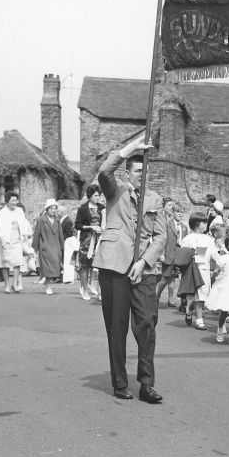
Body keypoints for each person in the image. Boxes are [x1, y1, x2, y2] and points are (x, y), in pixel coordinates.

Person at [93, 133, 166, 404]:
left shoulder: (155, 199)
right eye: (137, 171)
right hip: (114, 267)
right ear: (127, 173)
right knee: (117, 326)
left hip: (143, 270)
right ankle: (120, 382)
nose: (141, 175)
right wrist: (131, 148)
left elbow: (160, 236)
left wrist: (144, 261)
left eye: (145, 171)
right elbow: (104, 170)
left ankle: (146, 384)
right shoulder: (116, 191)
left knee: (147, 324)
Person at [180, 212, 217, 330]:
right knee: (198, 296)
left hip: (205, 269)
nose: (206, 225)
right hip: (193, 270)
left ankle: (189, 310)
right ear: (196, 224)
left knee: (203, 297)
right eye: (204, 223)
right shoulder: (187, 239)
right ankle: (200, 320)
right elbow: (183, 255)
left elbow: (214, 253)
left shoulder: (209, 239)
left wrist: (221, 262)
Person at [74, 184, 105, 301]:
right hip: (86, 241)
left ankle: (101, 292)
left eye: (99, 195)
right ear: (90, 196)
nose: (98, 198)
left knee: (100, 266)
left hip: (99, 241)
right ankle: (85, 290)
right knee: (84, 266)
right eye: (96, 196)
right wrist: (90, 227)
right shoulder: (83, 208)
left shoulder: (102, 208)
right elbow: (77, 225)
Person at [0, 191, 31, 294]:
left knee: (17, 262)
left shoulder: (20, 211)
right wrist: (2, 238)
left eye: (16, 200)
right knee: (5, 263)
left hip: (17, 240)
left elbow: (23, 223)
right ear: (7, 201)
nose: (15, 202)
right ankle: (7, 285)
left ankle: (14, 284)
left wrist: (24, 235)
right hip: (6, 240)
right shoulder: (2, 212)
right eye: (12, 200)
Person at [155, 197, 184, 308]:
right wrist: (161, 254)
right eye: (178, 212)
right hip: (168, 255)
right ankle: (156, 296)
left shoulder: (184, 227)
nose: (180, 214)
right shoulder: (167, 224)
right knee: (164, 279)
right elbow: (163, 239)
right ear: (173, 212)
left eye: (182, 212)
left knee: (173, 278)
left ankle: (171, 299)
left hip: (178, 256)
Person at [32, 198, 64, 295]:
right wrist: (34, 248)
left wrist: (62, 246)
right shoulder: (42, 220)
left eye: (55, 208)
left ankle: (47, 282)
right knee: (47, 267)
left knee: (55, 267)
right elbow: (37, 234)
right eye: (51, 208)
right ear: (47, 209)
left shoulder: (57, 220)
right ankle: (48, 286)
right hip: (45, 246)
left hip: (56, 246)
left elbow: (60, 234)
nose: (53, 210)